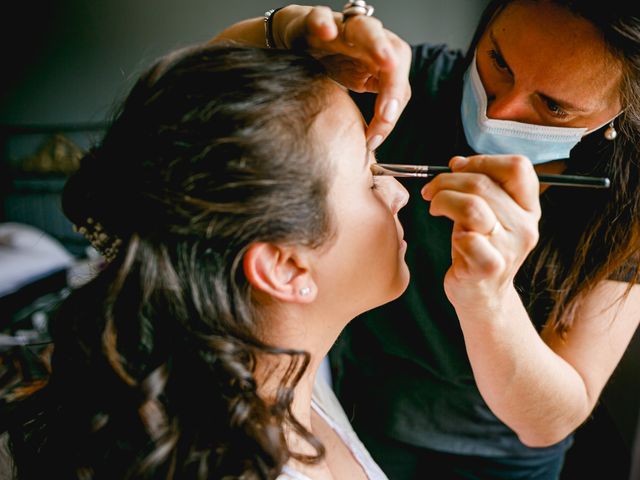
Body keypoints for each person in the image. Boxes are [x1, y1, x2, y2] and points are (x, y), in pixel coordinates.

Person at [215, 1, 640, 479]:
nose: (499, 111)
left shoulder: (627, 200)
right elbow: (193, 114)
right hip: (359, 409)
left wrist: (489, 298)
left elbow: (555, 418)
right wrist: (282, 32)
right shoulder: (394, 89)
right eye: (498, 61)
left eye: (553, 105)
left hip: (498, 459)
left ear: (620, 112)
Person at [4, 42, 413, 479]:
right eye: (370, 178)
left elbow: (183, 133)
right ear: (284, 267)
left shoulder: (287, 380)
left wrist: (278, 30)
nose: (399, 193)